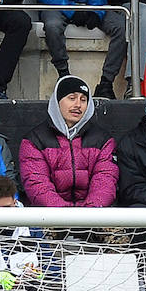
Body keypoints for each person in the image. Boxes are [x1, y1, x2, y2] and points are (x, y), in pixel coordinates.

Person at [20, 76, 118, 209]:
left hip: (93, 219)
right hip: (50, 218)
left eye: (83, 100)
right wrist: (66, 216)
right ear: (57, 101)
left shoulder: (103, 140)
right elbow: (37, 185)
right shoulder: (34, 140)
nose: (78, 105)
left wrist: (89, 214)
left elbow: (105, 182)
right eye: (72, 98)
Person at [34, 0, 128, 99]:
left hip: (88, 3)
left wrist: (96, 11)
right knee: (52, 25)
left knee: (122, 27)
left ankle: (106, 83)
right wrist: (71, 10)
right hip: (56, 5)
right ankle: (64, 76)